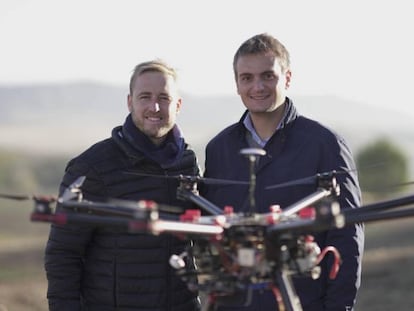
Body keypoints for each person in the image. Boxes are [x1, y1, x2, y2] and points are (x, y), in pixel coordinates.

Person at [200, 33, 365, 311]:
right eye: (247, 78)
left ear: (287, 78)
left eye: (268, 76)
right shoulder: (219, 148)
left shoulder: (326, 144)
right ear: (237, 83)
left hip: (302, 302)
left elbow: (347, 236)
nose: (258, 86)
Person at [44, 59, 201, 311]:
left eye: (164, 98)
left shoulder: (187, 163)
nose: (155, 106)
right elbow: (63, 253)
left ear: (178, 105)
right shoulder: (92, 166)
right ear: (130, 102)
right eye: (145, 97)